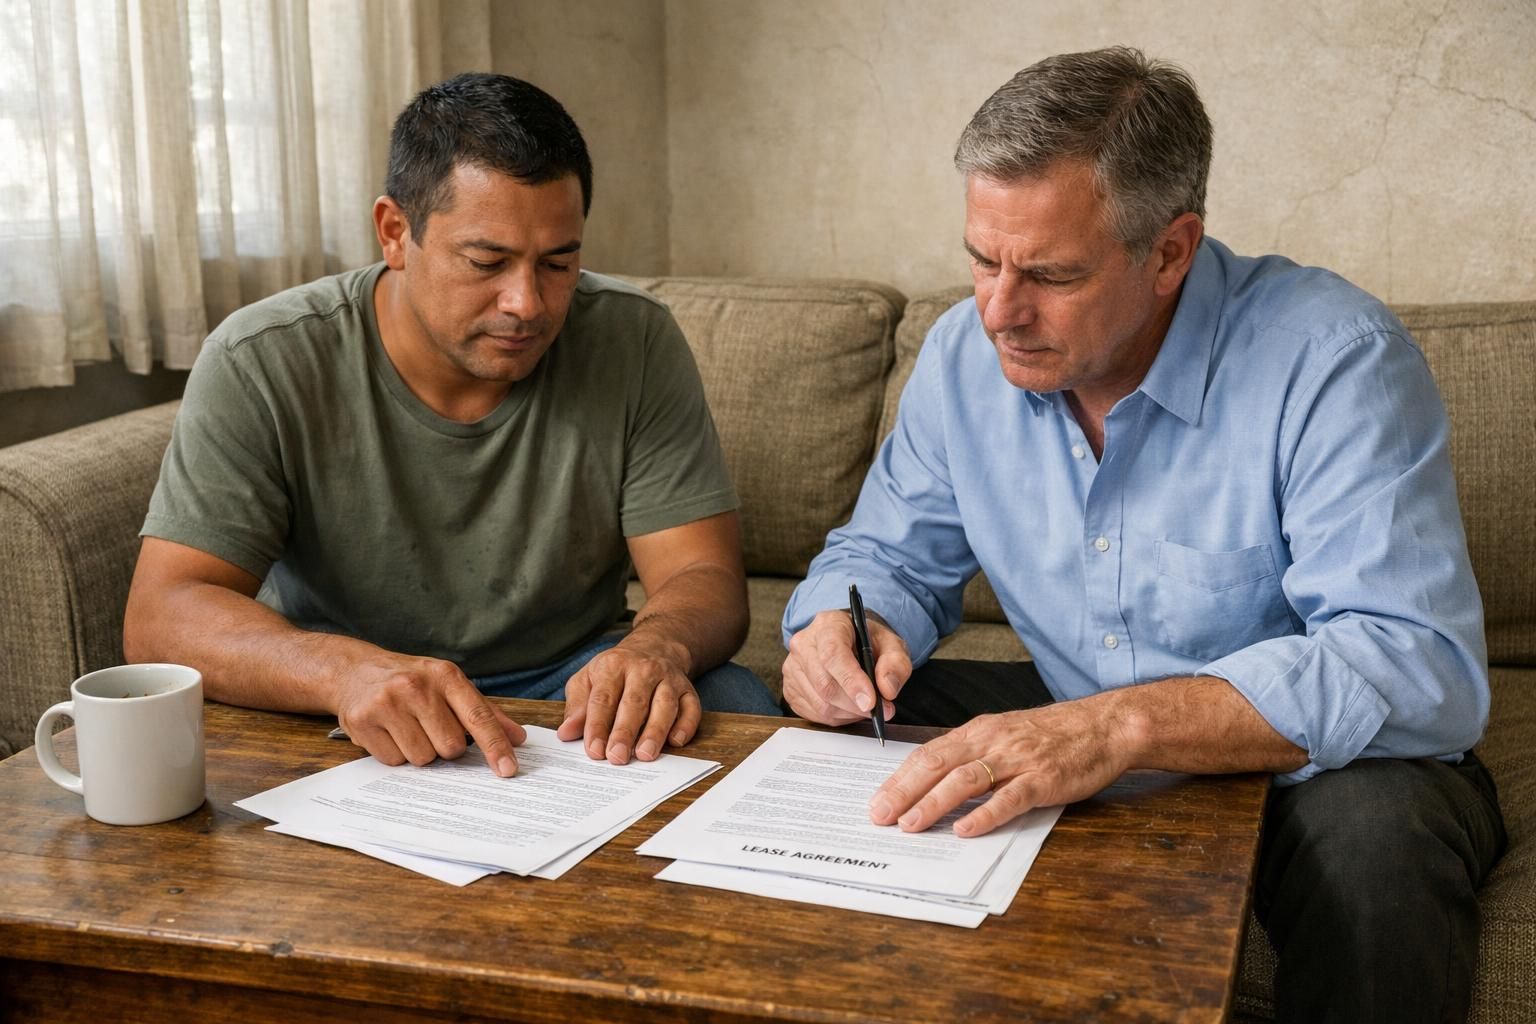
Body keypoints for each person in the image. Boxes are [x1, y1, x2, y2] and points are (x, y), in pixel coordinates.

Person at [781, 47, 1505, 1023]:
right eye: (982, 260)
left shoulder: (1335, 362)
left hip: (1323, 764)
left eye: (1048, 273)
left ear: (1170, 251)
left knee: (1382, 847)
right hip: (1073, 701)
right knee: (824, 732)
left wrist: (1119, 727)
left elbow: (1415, 664)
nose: (998, 310)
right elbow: (889, 556)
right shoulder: (964, 357)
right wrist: (838, 627)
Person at [124, 72, 779, 781]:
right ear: (395, 232)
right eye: (487, 261)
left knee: (735, 697)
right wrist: (342, 671)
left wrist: (658, 648)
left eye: (559, 263)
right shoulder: (263, 357)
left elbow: (701, 573)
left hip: (569, 685)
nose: (527, 304)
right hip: (350, 695)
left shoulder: (634, 339)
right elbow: (164, 612)